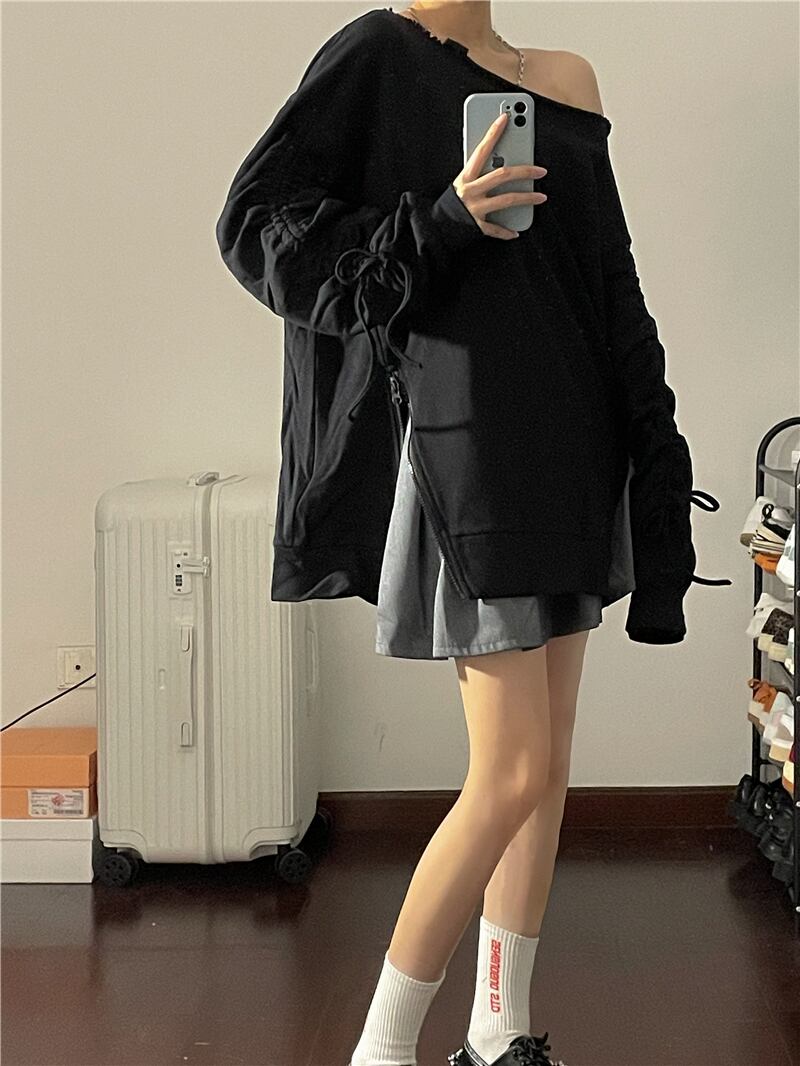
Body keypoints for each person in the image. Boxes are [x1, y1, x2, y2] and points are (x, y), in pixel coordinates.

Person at [215, 3, 729, 1064]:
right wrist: (441, 221)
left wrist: (654, 437)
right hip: (469, 446)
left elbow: (609, 275)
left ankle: (499, 1030)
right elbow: (256, 225)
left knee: (548, 766)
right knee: (512, 770)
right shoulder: (375, 55)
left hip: (574, 443)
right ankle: (382, 1046)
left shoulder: (567, 77)